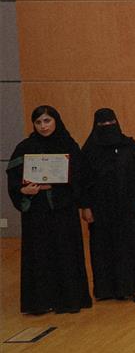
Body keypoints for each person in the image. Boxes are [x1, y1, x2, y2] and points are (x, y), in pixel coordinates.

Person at [6, 106, 92, 314]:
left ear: (56, 121)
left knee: (66, 252)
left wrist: (57, 184)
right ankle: (40, 302)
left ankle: (69, 300)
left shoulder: (68, 145)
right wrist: (24, 189)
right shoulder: (25, 147)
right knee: (39, 254)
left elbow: (81, 177)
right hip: (37, 212)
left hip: (63, 210)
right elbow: (14, 179)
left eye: (47, 121)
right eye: (38, 122)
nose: (43, 126)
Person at [82, 108, 135, 302]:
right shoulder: (89, 150)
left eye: (110, 123)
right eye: (102, 124)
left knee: (133, 246)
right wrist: (85, 206)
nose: (107, 127)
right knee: (104, 248)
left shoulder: (130, 146)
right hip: (101, 209)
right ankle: (108, 289)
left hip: (130, 206)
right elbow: (83, 181)